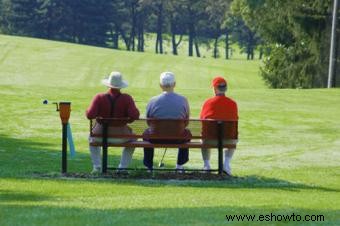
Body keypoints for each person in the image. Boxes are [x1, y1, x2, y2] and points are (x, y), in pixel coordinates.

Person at [86, 71, 140, 173]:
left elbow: (90, 115)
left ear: (108, 85)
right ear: (121, 86)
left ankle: (97, 166)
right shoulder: (127, 98)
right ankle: (122, 168)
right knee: (133, 141)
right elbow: (134, 116)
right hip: (121, 137)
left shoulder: (99, 97)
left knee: (91, 138)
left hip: (100, 136)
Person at [143, 72, 191, 171]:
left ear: (160, 85)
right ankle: (179, 166)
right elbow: (186, 122)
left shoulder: (153, 100)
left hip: (155, 138)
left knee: (145, 134)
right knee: (187, 134)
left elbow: (148, 122)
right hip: (178, 138)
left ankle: (149, 166)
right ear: (174, 84)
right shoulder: (183, 100)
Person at [200, 76, 238, 176]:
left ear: (215, 88)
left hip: (210, 139)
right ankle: (226, 164)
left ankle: (207, 165)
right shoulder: (233, 104)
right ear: (225, 89)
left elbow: (202, 121)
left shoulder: (208, 103)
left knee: (204, 137)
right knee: (234, 137)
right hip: (228, 139)